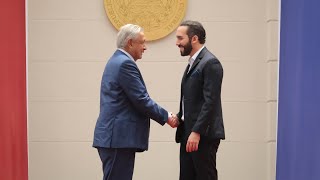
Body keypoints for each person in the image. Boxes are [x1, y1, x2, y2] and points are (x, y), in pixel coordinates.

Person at [93, 24, 178, 180]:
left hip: (114, 138)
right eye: (142, 42)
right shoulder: (125, 63)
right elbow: (141, 99)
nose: (145, 47)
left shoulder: (116, 61)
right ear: (130, 42)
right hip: (118, 139)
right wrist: (167, 116)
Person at [174, 20, 225, 180]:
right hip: (188, 133)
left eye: (180, 38)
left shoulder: (210, 63)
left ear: (194, 39)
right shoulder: (193, 63)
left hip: (202, 136)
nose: (177, 43)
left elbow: (210, 102)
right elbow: (192, 100)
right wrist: (180, 116)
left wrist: (196, 132)